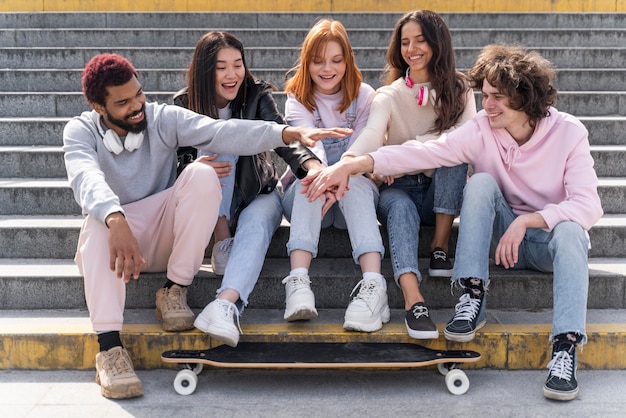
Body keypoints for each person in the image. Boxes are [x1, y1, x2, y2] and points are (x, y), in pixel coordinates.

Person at [304, 44, 603, 401]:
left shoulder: (568, 132)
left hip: (547, 244)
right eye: (485, 95)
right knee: (478, 182)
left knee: (571, 229)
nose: (487, 105)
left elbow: (589, 205)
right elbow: (425, 151)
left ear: (526, 98)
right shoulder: (482, 129)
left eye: (498, 98)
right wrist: (355, 164)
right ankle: (472, 294)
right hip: (501, 240)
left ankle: (565, 349)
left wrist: (531, 221)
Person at [63, 53, 349, 399]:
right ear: (98, 106)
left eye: (138, 93)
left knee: (201, 173)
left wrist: (286, 133)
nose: (137, 105)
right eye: (123, 102)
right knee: (96, 225)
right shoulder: (80, 131)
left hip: (164, 235)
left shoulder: (161, 117)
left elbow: (221, 131)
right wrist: (114, 216)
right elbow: (85, 176)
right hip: (118, 240)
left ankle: (174, 290)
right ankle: (109, 350)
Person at [321, 10, 476, 339]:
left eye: (420, 40)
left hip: (440, 191)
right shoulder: (389, 94)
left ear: (438, 43)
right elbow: (372, 134)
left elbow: (465, 143)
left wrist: (398, 155)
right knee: (401, 207)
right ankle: (413, 300)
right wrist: (349, 162)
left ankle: (440, 246)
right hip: (399, 188)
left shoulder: (461, 89)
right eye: (405, 42)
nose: (412, 48)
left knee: (454, 158)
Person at [173, 31, 328, 348]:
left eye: (237, 64)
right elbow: (178, 164)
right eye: (221, 67)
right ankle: (222, 240)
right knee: (219, 143)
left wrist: (313, 167)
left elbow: (281, 136)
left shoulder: (257, 95)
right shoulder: (183, 105)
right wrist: (194, 168)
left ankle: (224, 305)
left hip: (258, 191)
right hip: (212, 202)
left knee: (257, 223)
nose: (232, 75)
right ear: (205, 71)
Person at [280, 18, 384, 331]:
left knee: (352, 176)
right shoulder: (297, 97)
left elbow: (362, 147)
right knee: (309, 179)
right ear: (306, 62)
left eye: (336, 60)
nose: (327, 69)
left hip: (353, 192)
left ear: (347, 60)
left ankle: (374, 285)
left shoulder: (365, 95)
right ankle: (298, 283)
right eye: (318, 61)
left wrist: (341, 177)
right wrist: (324, 177)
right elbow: (311, 151)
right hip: (312, 197)